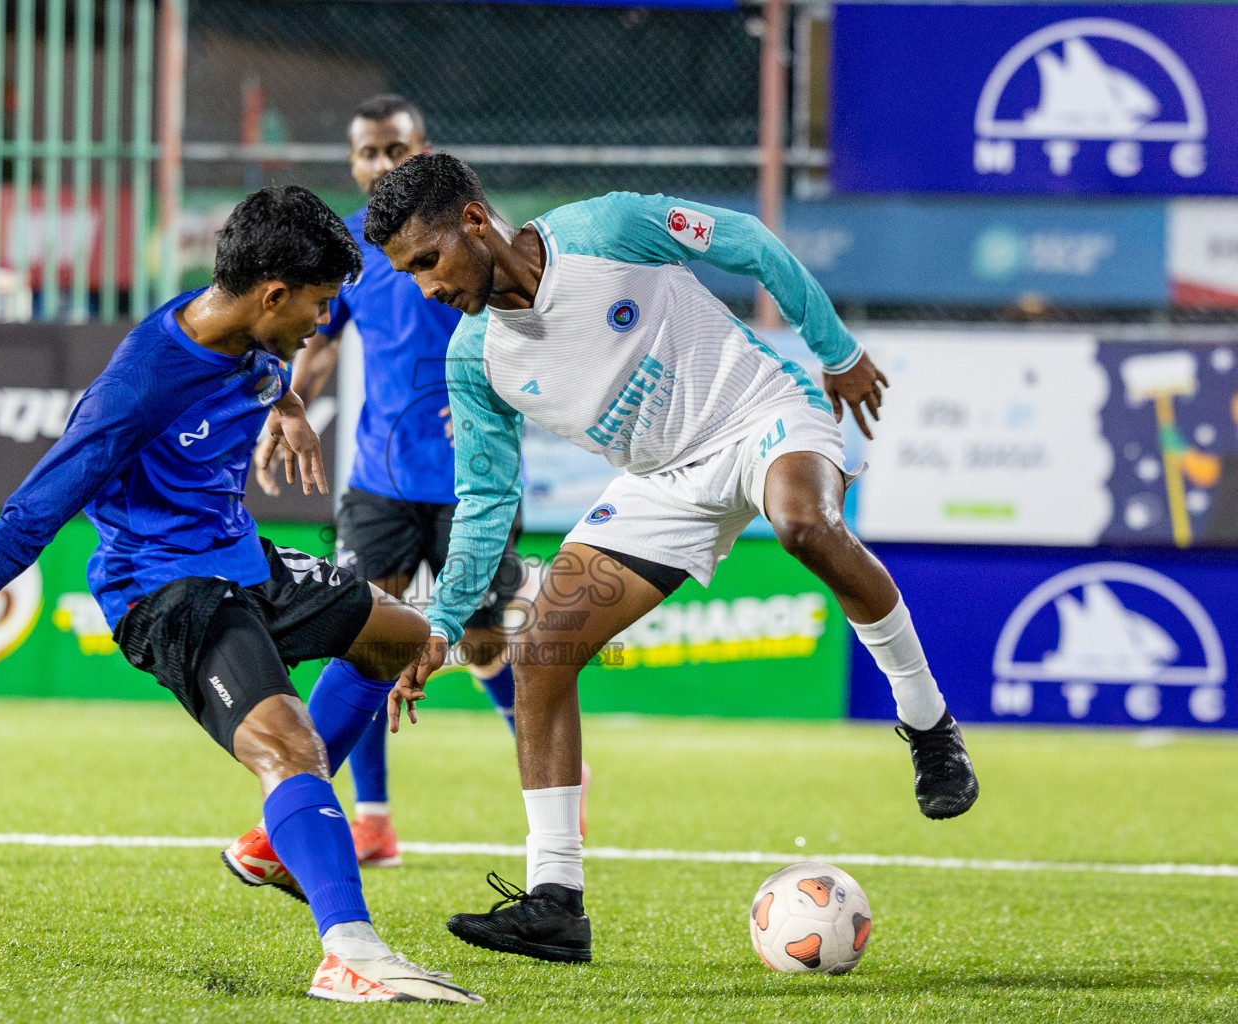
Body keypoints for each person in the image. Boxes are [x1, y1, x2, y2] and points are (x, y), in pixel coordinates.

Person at [0, 187, 482, 1005]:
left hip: (242, 558)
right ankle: (350, 952)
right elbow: (20, 529)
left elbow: (263, 366)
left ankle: (275, 841)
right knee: (288, 746)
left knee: (401, 637)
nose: (324, 325)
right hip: (166, 589)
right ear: (274, 294)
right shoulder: (135, 392)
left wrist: (286, 405)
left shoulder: (245, 322)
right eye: (321, 307)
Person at [368, 154, 980, 964]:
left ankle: (928, 722)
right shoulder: (475, 361)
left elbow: (753, 244)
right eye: (409, 274)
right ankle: (556, 901)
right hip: (664, 484)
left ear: (475, 222)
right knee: (542, 650)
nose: (426, 288)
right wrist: (442, 622)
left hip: (762, 414)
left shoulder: (608, 227)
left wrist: (835, 353)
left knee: (804, 525)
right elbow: (484, 500)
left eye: (428, 262)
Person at [253, 95, 584, 869]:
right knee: (367, 632)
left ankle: (559, 776)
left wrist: (495, 397)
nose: (379, 165)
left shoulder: (468, 241)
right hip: (378, 479)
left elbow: (532, 331)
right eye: (367, 153)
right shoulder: (353, 255)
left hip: (472, 480)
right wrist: (292, 398)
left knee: (482, 643)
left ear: (422, 150)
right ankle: (371, 819)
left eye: (394, 150)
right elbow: (321, 340)